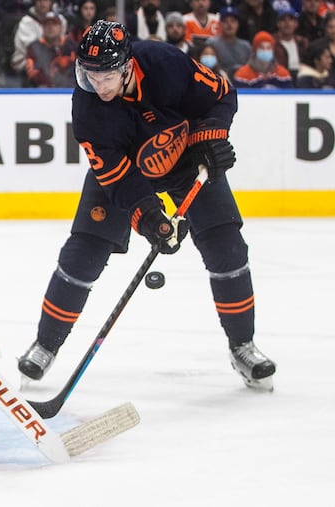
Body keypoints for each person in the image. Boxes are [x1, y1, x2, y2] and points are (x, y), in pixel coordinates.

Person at [17, 20, 276, 391]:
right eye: (89, 75)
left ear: (127, 66)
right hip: (126, 170)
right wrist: (150, 219)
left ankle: (243, 346)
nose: (98, 86)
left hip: (187, 159)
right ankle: (45, 344)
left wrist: (211, 137)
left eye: (106, 77)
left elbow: (222, 95)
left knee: (227, 246)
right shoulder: (88, 107)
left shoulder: (164, 62)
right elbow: (118, 178)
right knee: (84, 252)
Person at [11, 0, 68, 83]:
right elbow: (35, 50)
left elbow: (63, 44)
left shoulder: (60, 19)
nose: (43, 3)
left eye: (46, 0)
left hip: (55, 66)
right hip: (27, 65)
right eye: (40, 0)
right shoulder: (26, 21)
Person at [24, 12, 78, 86]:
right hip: (44, 92)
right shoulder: (33, 48)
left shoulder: (73, 46)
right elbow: (32, 74)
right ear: (42, 27)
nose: (50, 27)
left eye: (54, 24)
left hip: (71, 90)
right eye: (47, 24)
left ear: (60, 27)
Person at [209, 7, 253, 78]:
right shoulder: (212, 44)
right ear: (219, 24)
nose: (229, 24)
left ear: (238, 24)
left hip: (242, 83)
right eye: (225, 21)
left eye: (233, 21)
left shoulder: (246, 46)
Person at [273, 7, 308, 80]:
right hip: (280, 79)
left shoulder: (302, 42)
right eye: (283, 20)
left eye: (291, 20)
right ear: (278, 24)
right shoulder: (272, 42)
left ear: (296, 24)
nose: (287, 23)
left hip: (301, 79)